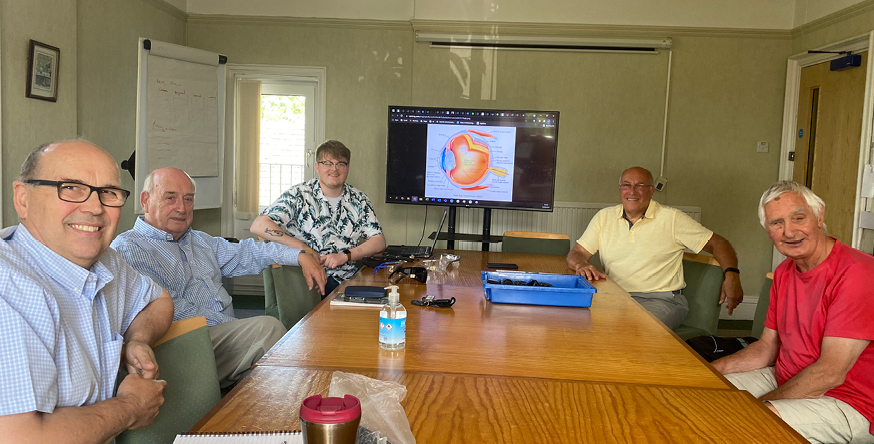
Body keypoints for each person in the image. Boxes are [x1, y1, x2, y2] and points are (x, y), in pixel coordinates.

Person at [0, 140, 174, 443]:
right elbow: (21, 438)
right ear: (22, 198)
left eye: (108, 192)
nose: (95, 208)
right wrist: (131, 406)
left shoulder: (105, 261)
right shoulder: (10, 289)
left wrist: (138, 340)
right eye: (70, 187)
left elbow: (158, 300)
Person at [112, 167, 326, 388]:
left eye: (188, 199)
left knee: (273, 358)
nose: (181, 208)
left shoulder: (199, 240)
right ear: (145, 200)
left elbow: (250, 252)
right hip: (181, 344)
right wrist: (234, 325)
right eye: (170, 198)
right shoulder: (130, 247)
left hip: (218, 341)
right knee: (268, 331)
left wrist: (300, 255)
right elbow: (171, 309)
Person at [712, 181, 874, 443]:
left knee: (742, 426)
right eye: (777, 223)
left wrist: (754, 407)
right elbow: (766, 347)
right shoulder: (785, 272)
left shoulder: (857, 273)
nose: (790, 231)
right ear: (768, 231)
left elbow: (831, 373)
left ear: (819, 216)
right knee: (705, 395)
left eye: (798, 218)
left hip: (850, 401)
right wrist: (709, 372)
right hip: (787, 377)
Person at [566, 166, 743, 329]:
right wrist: (581, 265)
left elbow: (719, 243)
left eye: (640, 186)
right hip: (615, 297)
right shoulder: (604, 217)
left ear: (651, 191)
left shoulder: (672, 219)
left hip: (662, 301)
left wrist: (732, 274)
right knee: (573, 322)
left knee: (632, 331)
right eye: (626, 185)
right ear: (620, 189)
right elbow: (577, 253)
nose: (632, 191)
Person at [251, 140, 386, 296]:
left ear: (348, 167)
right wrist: (303, 248)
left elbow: (378, 241)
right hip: (306, 279)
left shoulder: (359, 199)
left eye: (341, 164)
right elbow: (259, 225)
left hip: (347, 281)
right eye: (327, 163)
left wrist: (344, 256)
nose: (334, 169)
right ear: (317, 167)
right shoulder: (299, 194)